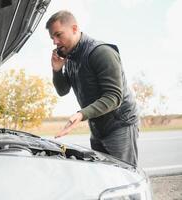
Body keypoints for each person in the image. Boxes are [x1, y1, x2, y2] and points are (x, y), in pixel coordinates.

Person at [46, 10, 139, 166]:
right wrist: (57, 70)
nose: (55, 42)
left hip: (120, 124)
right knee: (104, 174)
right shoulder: (70, 58)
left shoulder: (101, 52)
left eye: (58, 35)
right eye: (52, 38)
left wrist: (82, 114)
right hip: (98, 127)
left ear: (74, 29)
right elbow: (63, 91)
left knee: (124, 176)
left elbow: (114, 96)